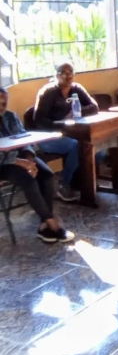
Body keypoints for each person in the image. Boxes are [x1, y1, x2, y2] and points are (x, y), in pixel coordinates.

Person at [0, 88, 74, 243]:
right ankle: (52, 222)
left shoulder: (11, 116)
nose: (2, 107)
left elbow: (24, 139)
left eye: (4, 103)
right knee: (29, 180)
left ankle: (44, 225)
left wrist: (29, 158)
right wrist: (21, 162)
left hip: (21, 157)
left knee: (47, 175)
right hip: (3, 164)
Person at [33, 62, 99, 202]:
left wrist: (76, 112)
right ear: (57, 75)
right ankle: (63, 185)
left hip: (70, 134)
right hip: (47, 137)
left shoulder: (77, 89)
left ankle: (81, 181)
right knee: (77, 146)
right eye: (64, 73)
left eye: (71, 72)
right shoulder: (49, 92)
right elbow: (38, 120)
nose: (69, 76)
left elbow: (94, 107)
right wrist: (61, 123)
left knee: (97, 149)